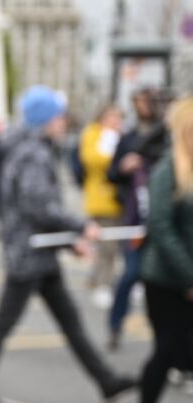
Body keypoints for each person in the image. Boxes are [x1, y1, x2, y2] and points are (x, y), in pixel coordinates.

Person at [0, 85, 137, 403]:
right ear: (46, 119)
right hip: (28, 256)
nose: (63, 121)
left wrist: (71, 243)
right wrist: (81, 227)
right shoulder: (34, 153)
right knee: (1, 326)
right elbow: (38, 206)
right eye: (57, 116)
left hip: (37, 254)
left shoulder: (30, 148)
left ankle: (107, 381)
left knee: (70, 321)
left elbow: (36, 211)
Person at [133, 97, 193, 403]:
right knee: (167, 352)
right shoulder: (168, 170)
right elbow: (161, 227)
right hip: (166, 282)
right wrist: (189, 279)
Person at [107, 88, 171, 350]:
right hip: (136, 219)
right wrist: (124, 165)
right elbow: (112, 173)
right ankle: (115, 326)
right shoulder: (130, 138)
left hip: (162, 222)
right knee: (130, 275)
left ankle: (166, 345)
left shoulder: (167, 138)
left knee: (162, 287)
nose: (148, 107)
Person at [77, 103, 125, 308]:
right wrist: (114, 158)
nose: (116, 121)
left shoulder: (118, 135)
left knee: (109, 244)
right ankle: (103, 284)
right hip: (101, 199)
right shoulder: (93, 134)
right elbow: (91, 159)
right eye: (112, 116)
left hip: (117, 199)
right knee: (107, 245)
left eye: (118, 117)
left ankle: (96, 279)